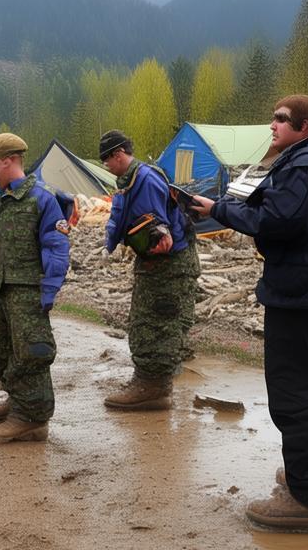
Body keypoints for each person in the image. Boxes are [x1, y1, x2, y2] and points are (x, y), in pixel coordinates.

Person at [191, 94, 308, 530]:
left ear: (304, 126)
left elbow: (278, 221)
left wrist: (218, 210)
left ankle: (306, 498)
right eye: (273, 117)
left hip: (303, 291)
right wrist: (224, 208)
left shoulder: (303, 163)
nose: (272, 126)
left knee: (295, 391)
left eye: (281, 120)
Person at [0, 133, 70, 443]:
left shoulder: (42, 198)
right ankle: (17, 397)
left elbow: (57, 246)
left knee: (30, 353)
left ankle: (32, 419)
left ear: (8, 160)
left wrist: (49, 289)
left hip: (27, 290)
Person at [99, 129, 200, 410]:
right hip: (158, 263)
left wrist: (158, 236)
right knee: (150, 321)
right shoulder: (131, 179)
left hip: (168, 264)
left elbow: (157, 223)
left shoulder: (143, 179)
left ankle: (152, 388)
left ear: (119, 154)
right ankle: (152, 384)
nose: (106, 165)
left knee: (155, 324)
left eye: (107, 159)